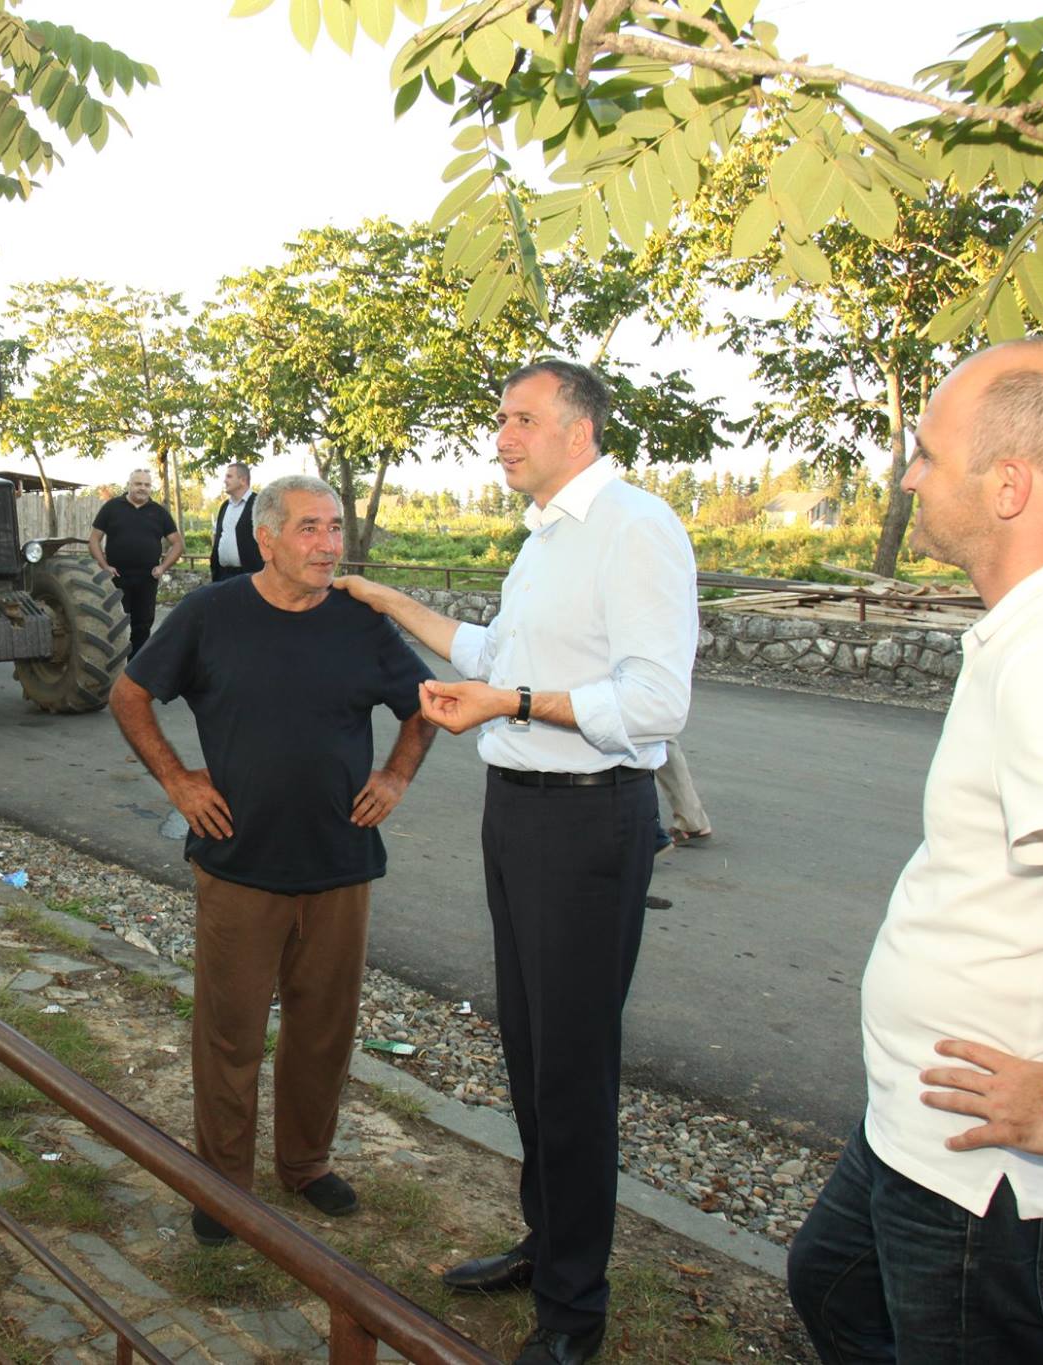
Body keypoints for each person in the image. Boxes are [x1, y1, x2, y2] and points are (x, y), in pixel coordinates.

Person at [786, 339, 1043, 1364]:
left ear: (1006, 483)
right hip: (928, 1131)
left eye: (925, 455)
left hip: (992, 1171)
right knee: (834, 1287)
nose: (906, 477)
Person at [337, 359, 696, 1365]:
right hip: (519, 815)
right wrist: (389, 602)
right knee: (532, 1054)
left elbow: (655, 703)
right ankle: (548, 1248)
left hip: (589, 822)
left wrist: (520, 706)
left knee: (573, 1068)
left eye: (518, 420)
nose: (499, 435)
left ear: (576, 432)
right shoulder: (545, 539)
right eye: (499, 418)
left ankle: (575, 1312)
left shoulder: (631, 528)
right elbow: (495, 655)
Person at [110, 474, 437, 1248]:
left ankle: (305, 1163)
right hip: (239, 863)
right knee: (230, 1032)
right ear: (266, 539)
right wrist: (179, 780)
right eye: (311, 529)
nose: (331, 544)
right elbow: (130, 695)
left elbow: (424, 703)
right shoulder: (210, 615)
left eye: (334, 529)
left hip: (339, 863)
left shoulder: (360, 624)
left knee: (324, 1029)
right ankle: (223, 1184)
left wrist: (394, 776)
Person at [89, 467, 181, 657]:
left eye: (147, 485)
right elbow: (94, 540)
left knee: (143, 625)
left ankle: (137, 668)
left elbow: (178, 544)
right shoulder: (112, 507)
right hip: (117, 578)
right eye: (138, 484)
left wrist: (163, 567)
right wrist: (104, 566)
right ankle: (115, 665)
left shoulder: (159, 512)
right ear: (129, 485)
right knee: (116, 625)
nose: (142, 488)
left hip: (148, 578)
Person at [209, 462, 263, 582]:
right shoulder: (225, 506)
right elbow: (216, 535)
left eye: (229, 476)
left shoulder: (259, 504)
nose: (225, 481)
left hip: (250, 576)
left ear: (243, 480)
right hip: (223, 576)